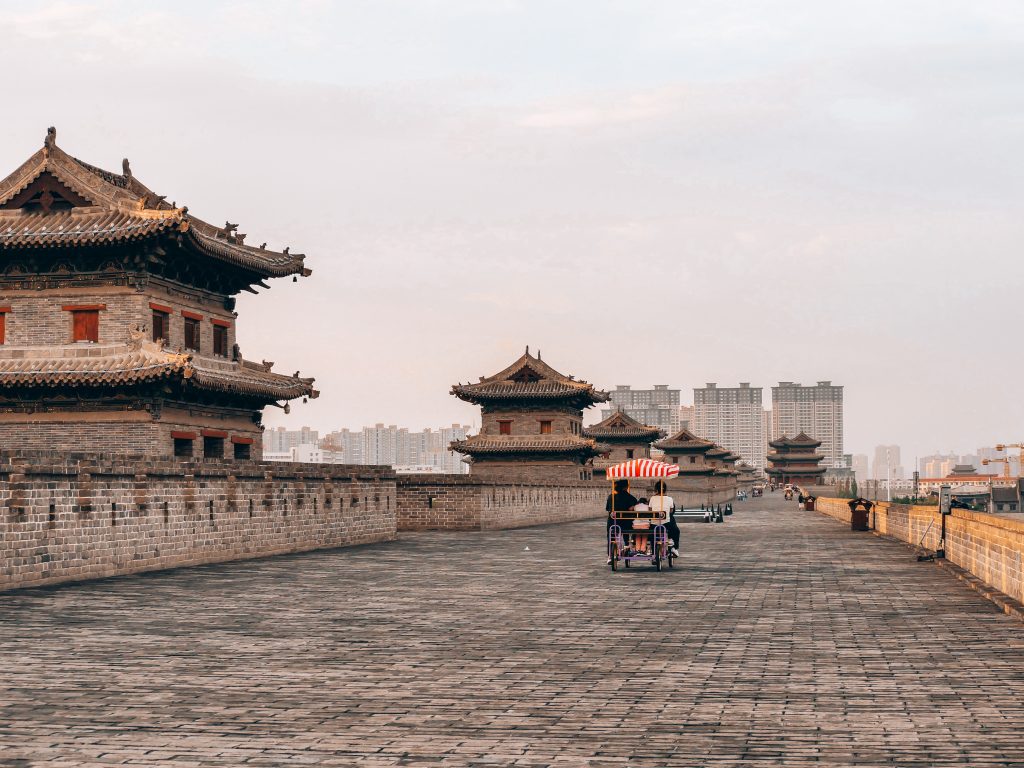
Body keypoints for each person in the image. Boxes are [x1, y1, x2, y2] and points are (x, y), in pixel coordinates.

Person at [605, 479, 638, 563]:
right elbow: (635, 508)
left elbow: (608, 509)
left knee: (611, 537)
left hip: (613, 523)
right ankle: (627, 544)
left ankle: (610, 556)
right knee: (628, 531)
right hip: (626, 524)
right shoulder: (630, 497)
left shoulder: (611, 497)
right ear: (626, 487)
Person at [648, 480, 681, 557]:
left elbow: (650, 510)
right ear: (665, 489)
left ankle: (653, 552)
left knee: (653, 534)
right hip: (666, 524)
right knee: (676, 531)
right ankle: (674, 547)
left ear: (656, 490)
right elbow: (671, 511)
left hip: (654, 524)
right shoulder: (670, 499)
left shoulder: (652, 498)